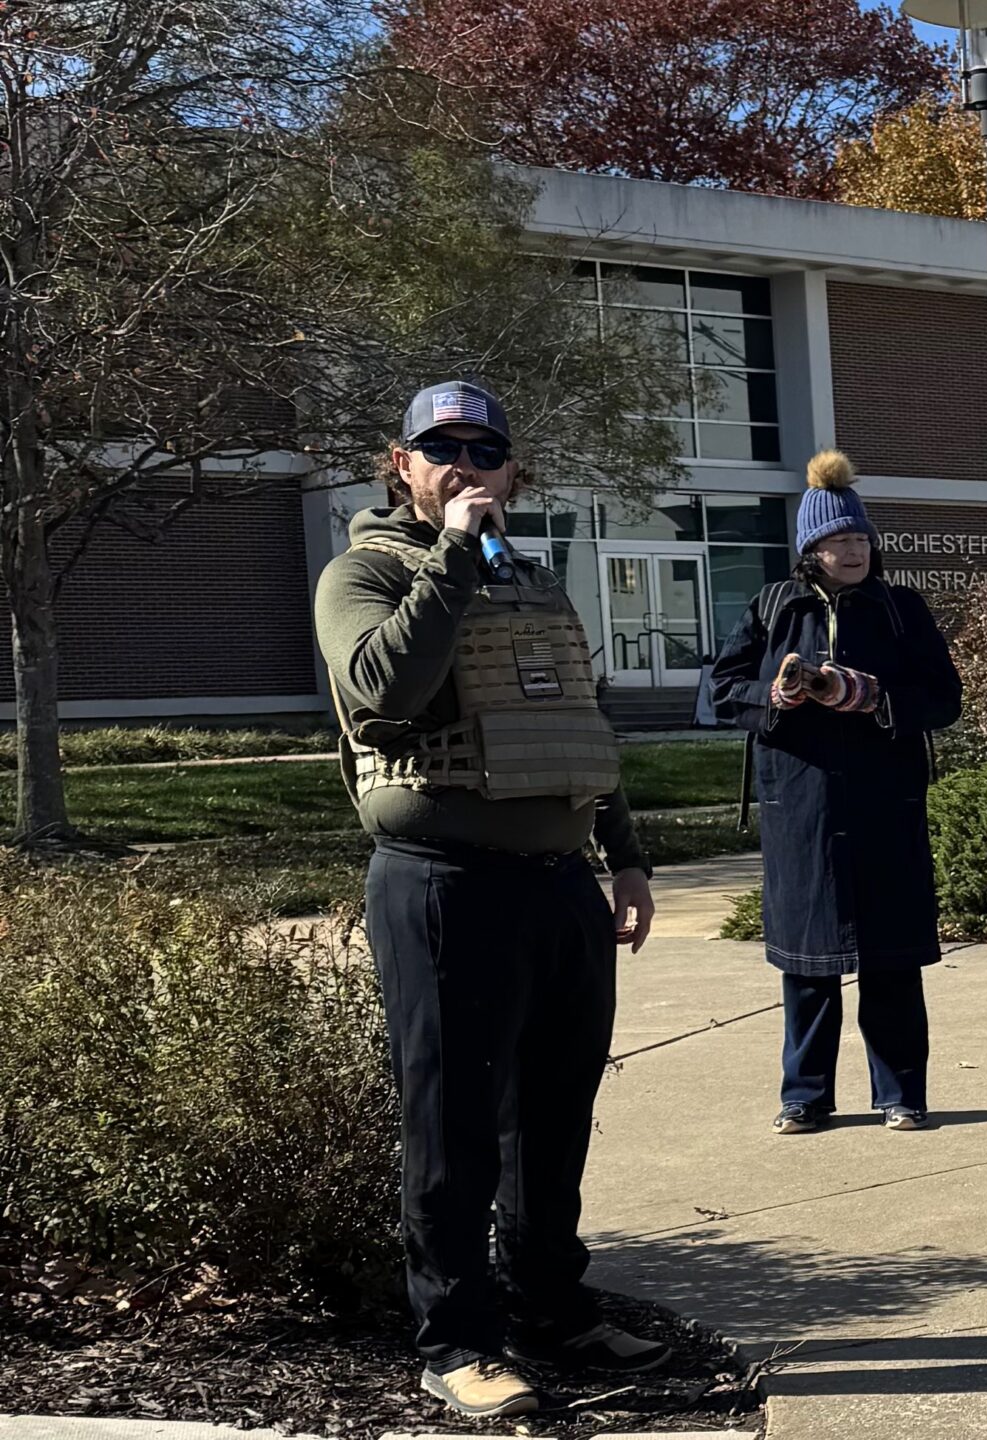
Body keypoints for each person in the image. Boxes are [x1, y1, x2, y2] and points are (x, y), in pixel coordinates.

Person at [317, 381, 665, 1418]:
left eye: (484, 450)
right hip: (442, 885)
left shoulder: (537, 584)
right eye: (442, 449)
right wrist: (457, 559)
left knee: (553, 1120)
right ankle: (456, 1341)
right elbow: (384, 689)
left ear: (513, 470)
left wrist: (626, 853)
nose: (464, 465)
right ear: (403, 464)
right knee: (453, 1125)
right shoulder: (361, 575)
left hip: (558, 887)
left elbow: (580, 723)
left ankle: (552, 1306)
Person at [707, 451, 962, 1137]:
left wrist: (875, 697)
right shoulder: (771, 606)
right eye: (835, 542)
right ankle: (805, 1096)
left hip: (887, 805)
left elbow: (944, 698)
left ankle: (902, 1093)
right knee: (807, 965)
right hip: (803, 809)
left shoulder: (902, 608)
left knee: (893, 961)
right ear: (809, 550)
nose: (851, 551)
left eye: (858, 539)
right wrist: (777, 695)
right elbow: (719, 693)